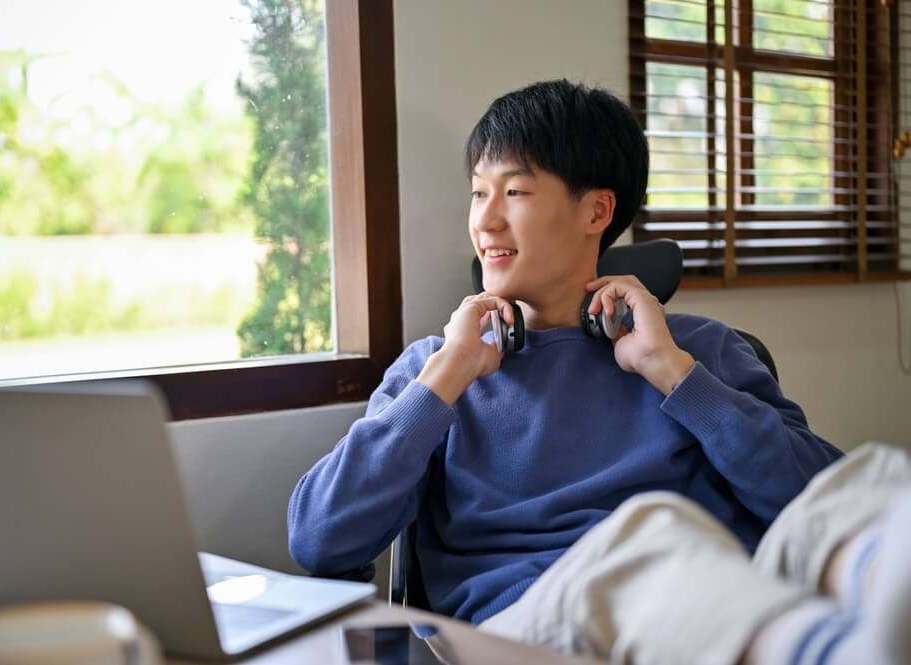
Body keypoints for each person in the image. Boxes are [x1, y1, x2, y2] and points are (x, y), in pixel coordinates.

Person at [287, 79, 911, 665]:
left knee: (878, 480)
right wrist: (448, 375)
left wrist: (672, 372)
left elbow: (819, 502)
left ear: (596, 212)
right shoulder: (438, 368)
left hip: (720, 611)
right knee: (651, 539)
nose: (485, 219)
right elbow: (319, 538)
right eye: (479, 192)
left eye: (515, 191)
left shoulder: (695, 351)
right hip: (529, 627)